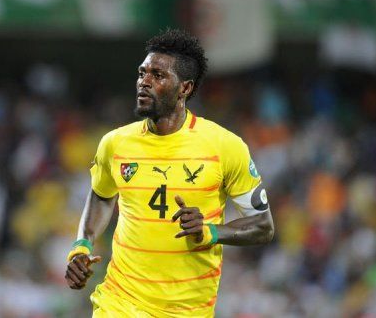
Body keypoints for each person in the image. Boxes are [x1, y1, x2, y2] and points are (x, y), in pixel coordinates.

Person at [65, 29, 275, 317]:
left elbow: (263, 225)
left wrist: (210, 231)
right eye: (142, 73)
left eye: (158, 75)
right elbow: (102, 196)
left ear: (185, 89)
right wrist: (82, 245)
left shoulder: (225, 147)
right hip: (120, 302)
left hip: (188, 309)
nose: (144, 82)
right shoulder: (115, 143)